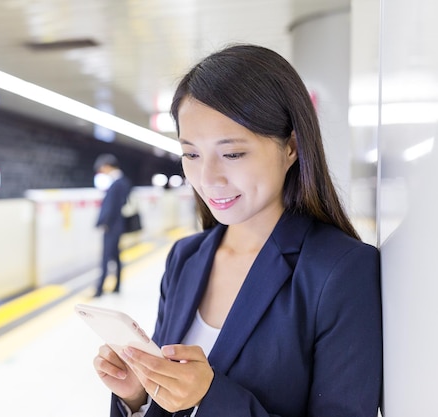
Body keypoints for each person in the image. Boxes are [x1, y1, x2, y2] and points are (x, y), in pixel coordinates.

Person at [92, 44, 382, 416]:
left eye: (232, 154)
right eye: (192, 154)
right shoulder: (186, 257)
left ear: (291, 147)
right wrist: (139, 395)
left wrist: (209, 399)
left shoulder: (340, 271)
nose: (208, 178)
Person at [93, 153, 133, 297]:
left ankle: (99, 289)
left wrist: (103, 223)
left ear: (108, 166)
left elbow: (110, 207)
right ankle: (117, 286)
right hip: (119, 225)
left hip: (112, 226)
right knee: (115, 257)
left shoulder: (116, 184)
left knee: (106, 257)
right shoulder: (124, 181)